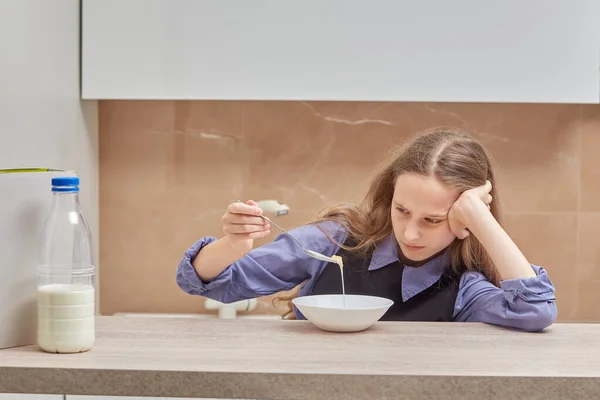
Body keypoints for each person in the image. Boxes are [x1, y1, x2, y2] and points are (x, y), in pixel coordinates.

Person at [176, 127, 557, 332]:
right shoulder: (335, 240)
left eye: (432, 220)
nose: (410, 234)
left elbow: (536, 311)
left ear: (464, 223)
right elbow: (208, 281)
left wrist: (480, 220)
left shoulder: (465, 289)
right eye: (402, 210)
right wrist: (232, 243)